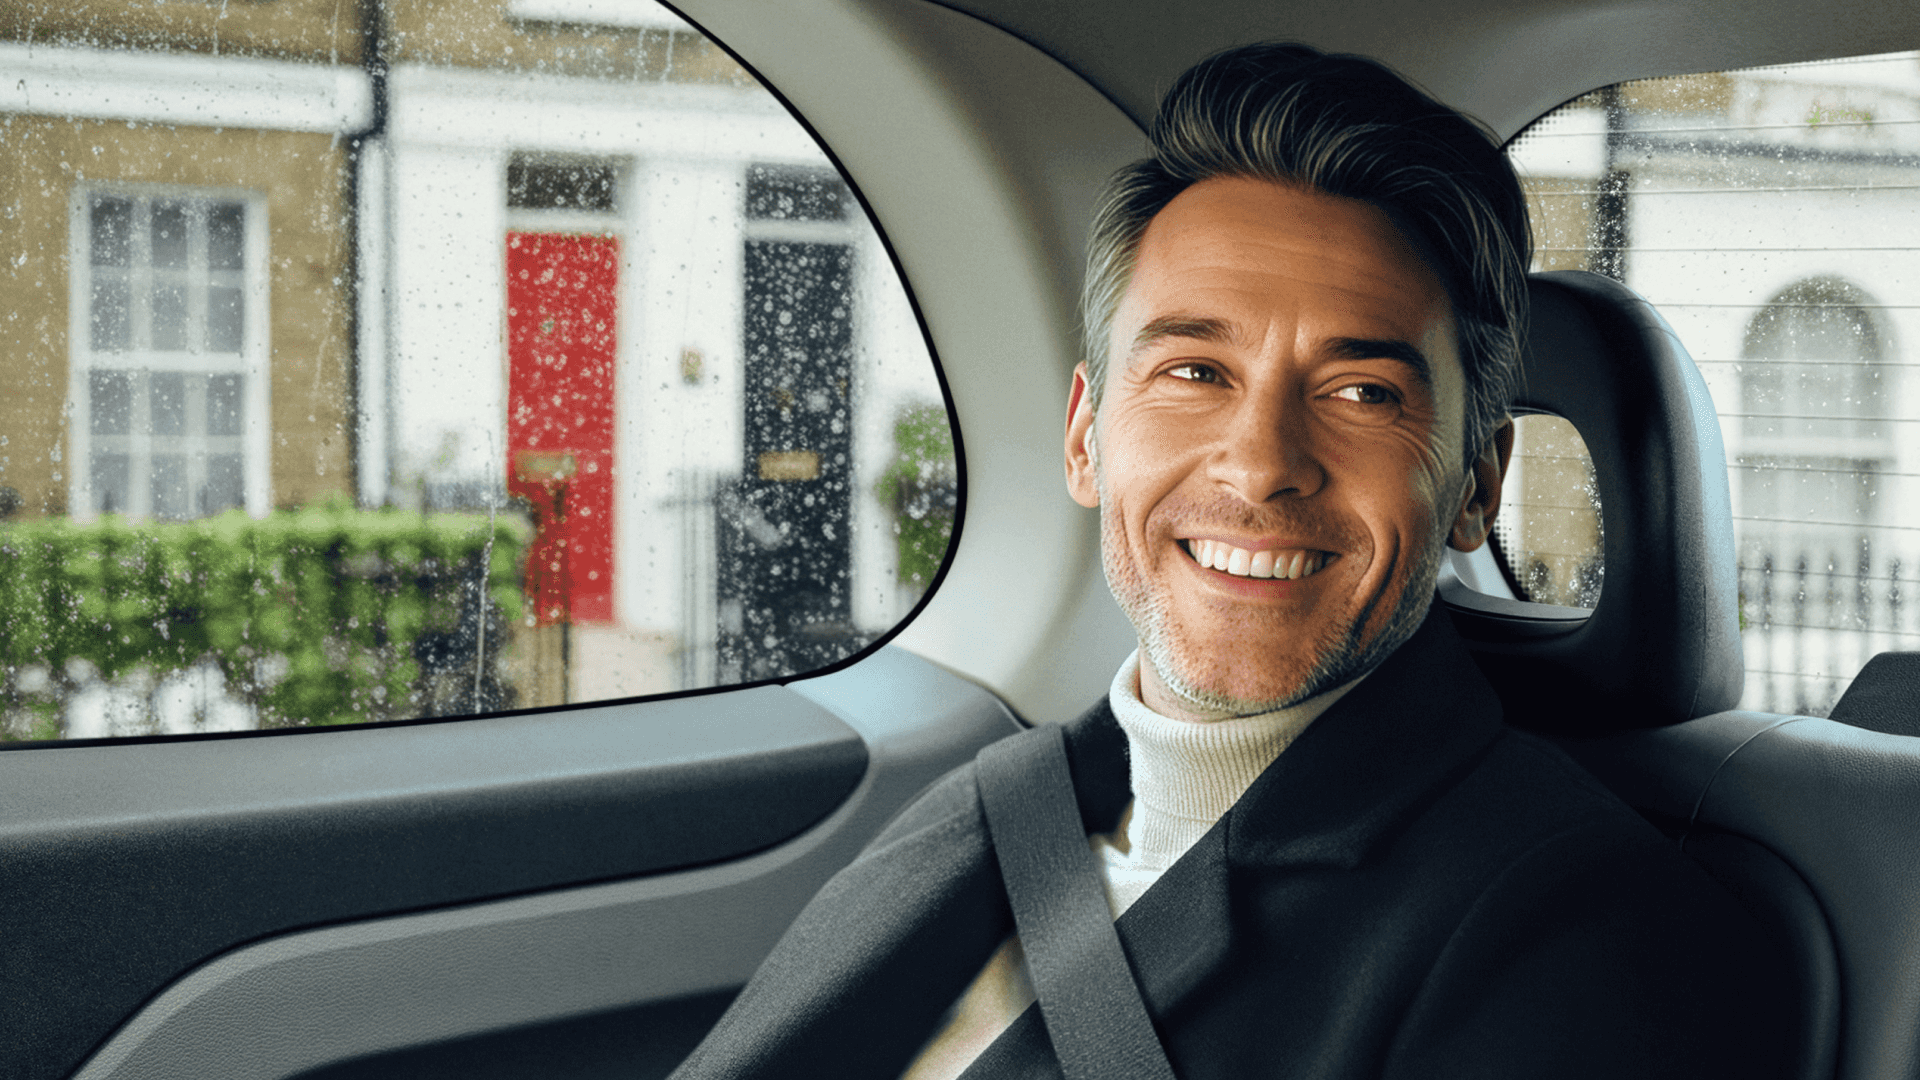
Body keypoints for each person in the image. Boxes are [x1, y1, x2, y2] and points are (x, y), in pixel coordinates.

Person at [671, 42, 1792, 1080]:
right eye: (1195, 372)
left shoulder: (1583, 932)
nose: (1260, 467)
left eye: (1365, 394)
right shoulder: (1000, 809)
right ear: (1084, 436)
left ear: (1477, 488)